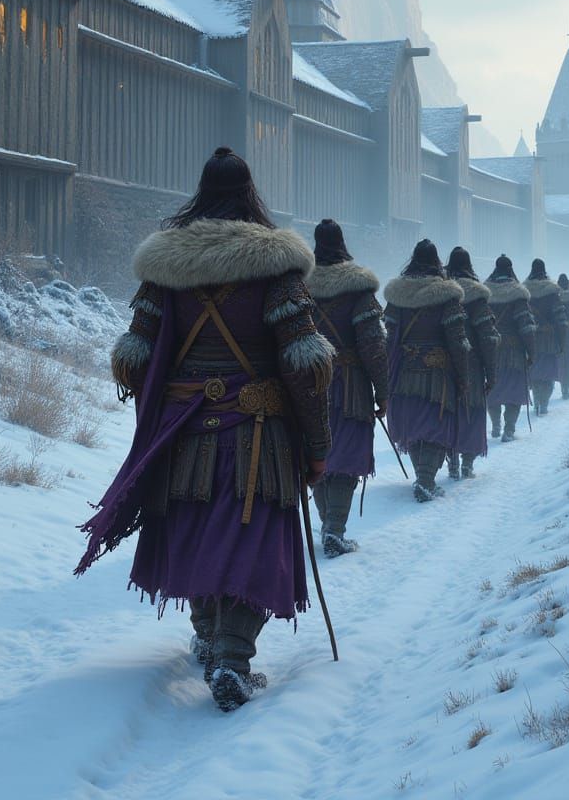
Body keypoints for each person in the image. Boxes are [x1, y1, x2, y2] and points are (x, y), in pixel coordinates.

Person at [75, 147, 334, 713]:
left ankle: (209, 636)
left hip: (185, 432)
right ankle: (232, 657)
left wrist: (163, 405)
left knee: (194, 531)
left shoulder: (166, 269)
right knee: (251, 536)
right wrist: (316, 446)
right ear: (250, 194)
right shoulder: (276, 268)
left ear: (200, 192)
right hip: (257, 431)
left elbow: (132, 356)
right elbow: (306, 362)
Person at [306, 219, 388, 557]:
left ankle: (330, 524)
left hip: (307, 385)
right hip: (349, 387)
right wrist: (383, 391)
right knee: (347, 454)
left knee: (317, 454)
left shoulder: (299, 286)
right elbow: (373, 346)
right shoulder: (359, 290)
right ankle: (334, 529)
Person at [384, 240, 470, 502]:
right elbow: (458, 341)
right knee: (435, 425)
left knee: (415, 425)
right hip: (438, 375)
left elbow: (388, 338)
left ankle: (423, 477)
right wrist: (464, 377)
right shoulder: (447, 296)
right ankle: (425, 480)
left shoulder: (397, 297)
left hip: (406, 373)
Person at [445, 246, 499, 479]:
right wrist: (492, 373)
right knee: (472, 412)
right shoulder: (478, 298)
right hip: (473, 365)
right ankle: (467, 461)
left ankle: (452, 461)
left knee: (449, 413)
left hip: (444, 366)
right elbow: (488, 339)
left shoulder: (441, 293)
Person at [484, 255, 537, 442]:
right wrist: (531, 352)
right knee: (514, 390)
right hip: (514, 352)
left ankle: (496, 424)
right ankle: (509, 429)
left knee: (493, 388)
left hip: (492, 351)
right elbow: (527, 327)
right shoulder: (518, 295)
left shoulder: (485, 294)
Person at [523, 259, 568, 416]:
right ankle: (544, 404)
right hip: (549, 339)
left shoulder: (524, 291)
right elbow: (561, 320)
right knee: (548, 373)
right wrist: (562, 343)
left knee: (535, 373)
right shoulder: (552, 292)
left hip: (531, 338)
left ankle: (537, 400)